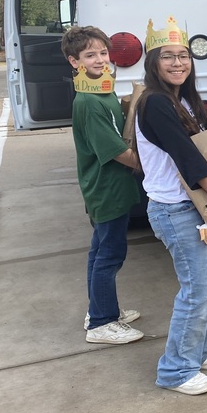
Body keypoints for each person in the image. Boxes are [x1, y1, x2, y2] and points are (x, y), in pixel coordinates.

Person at [135, 16, 207, 395]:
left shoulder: (184, 100)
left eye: (184, 55)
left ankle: (199, 350)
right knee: (198, 290)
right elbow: (187, 158)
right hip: (178, 210)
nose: (178, 62)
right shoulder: (154, 104)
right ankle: (176, 370)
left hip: (200, 210)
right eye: (168, 56)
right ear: (153, 62)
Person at [61, 26, 144, 345]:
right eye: (90, 55)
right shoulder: (89, 102)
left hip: (109, 187)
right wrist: (152, 164)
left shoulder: (100, 89)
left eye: (103, 53)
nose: (100, 59)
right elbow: (113, 150)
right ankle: (101, 323)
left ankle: (101, 308)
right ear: (74, 61)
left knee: (100, 251)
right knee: (110, 253)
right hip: (106, 187)